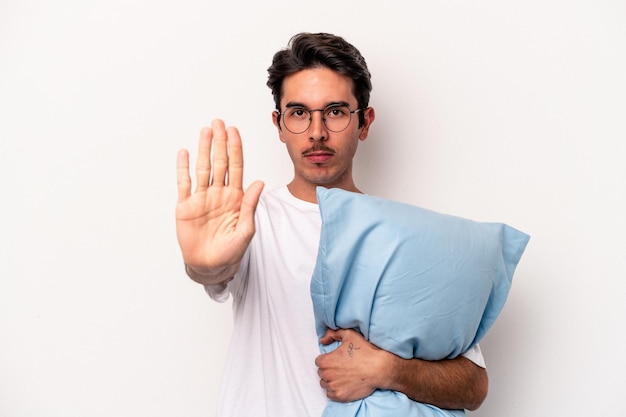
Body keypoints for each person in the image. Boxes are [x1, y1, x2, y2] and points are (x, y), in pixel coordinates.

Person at [175, 32, 488, 417]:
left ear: (365, 122)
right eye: (299, 112)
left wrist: (388, 369)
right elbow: (216, 272)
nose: (317, 131)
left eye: (336, 111)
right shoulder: (248, 220)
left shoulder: (406, 236)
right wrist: (206, 266)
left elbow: (473, 386)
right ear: (279, 125)